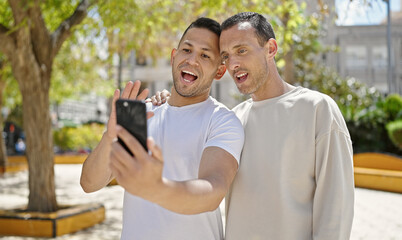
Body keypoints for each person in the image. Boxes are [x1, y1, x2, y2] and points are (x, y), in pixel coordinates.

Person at [151, 12, 355, 240]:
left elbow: (336, 207)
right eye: (226, 56)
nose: (233, 64)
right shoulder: (233, 119)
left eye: (242, 50)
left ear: (271, 49)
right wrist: (167, 103)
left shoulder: (318, 109)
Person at [80, 17, 244, 240]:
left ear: (219, 70)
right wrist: (109, 137)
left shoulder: (223, 121)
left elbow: (213, 191)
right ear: (174, 56)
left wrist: (156, 188)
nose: (192, 60)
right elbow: (89, 184)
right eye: (187, 49)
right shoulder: (142, 114)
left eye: (205, 55)